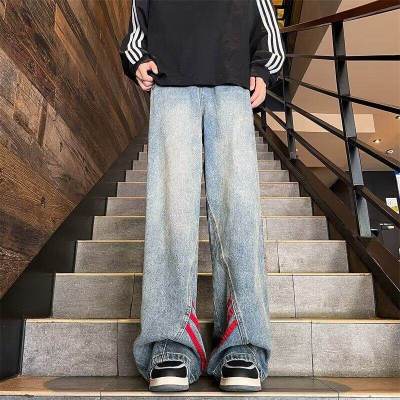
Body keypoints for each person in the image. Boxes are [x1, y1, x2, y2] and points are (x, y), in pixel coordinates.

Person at [119, 0, 285, 393]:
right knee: (171, 210)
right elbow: (136, 33)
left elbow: (271, 36)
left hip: (232, 85)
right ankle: (170, 341)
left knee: (238, 210)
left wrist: (263, 69)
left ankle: (243, 343)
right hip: (171, 85)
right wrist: (138, 60)